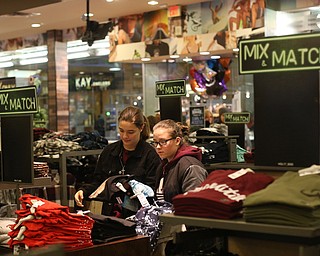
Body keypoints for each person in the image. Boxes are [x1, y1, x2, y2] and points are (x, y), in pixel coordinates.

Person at [74, 106, 162, 218]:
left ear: (141, 128)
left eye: (130, 132)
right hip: (108, 215)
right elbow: (97, 180)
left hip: (139, 216)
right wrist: (83, 191)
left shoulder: (151, 155)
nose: (125, 136)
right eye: (121, 130)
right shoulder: (109, 151)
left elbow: (153, 191)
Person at [151, 119, 207, 203]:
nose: (158, 147)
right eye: (155, 142)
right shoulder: (164, 164)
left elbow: (195, 205)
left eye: (163, 142)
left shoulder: (191, 167)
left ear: (177, 141)